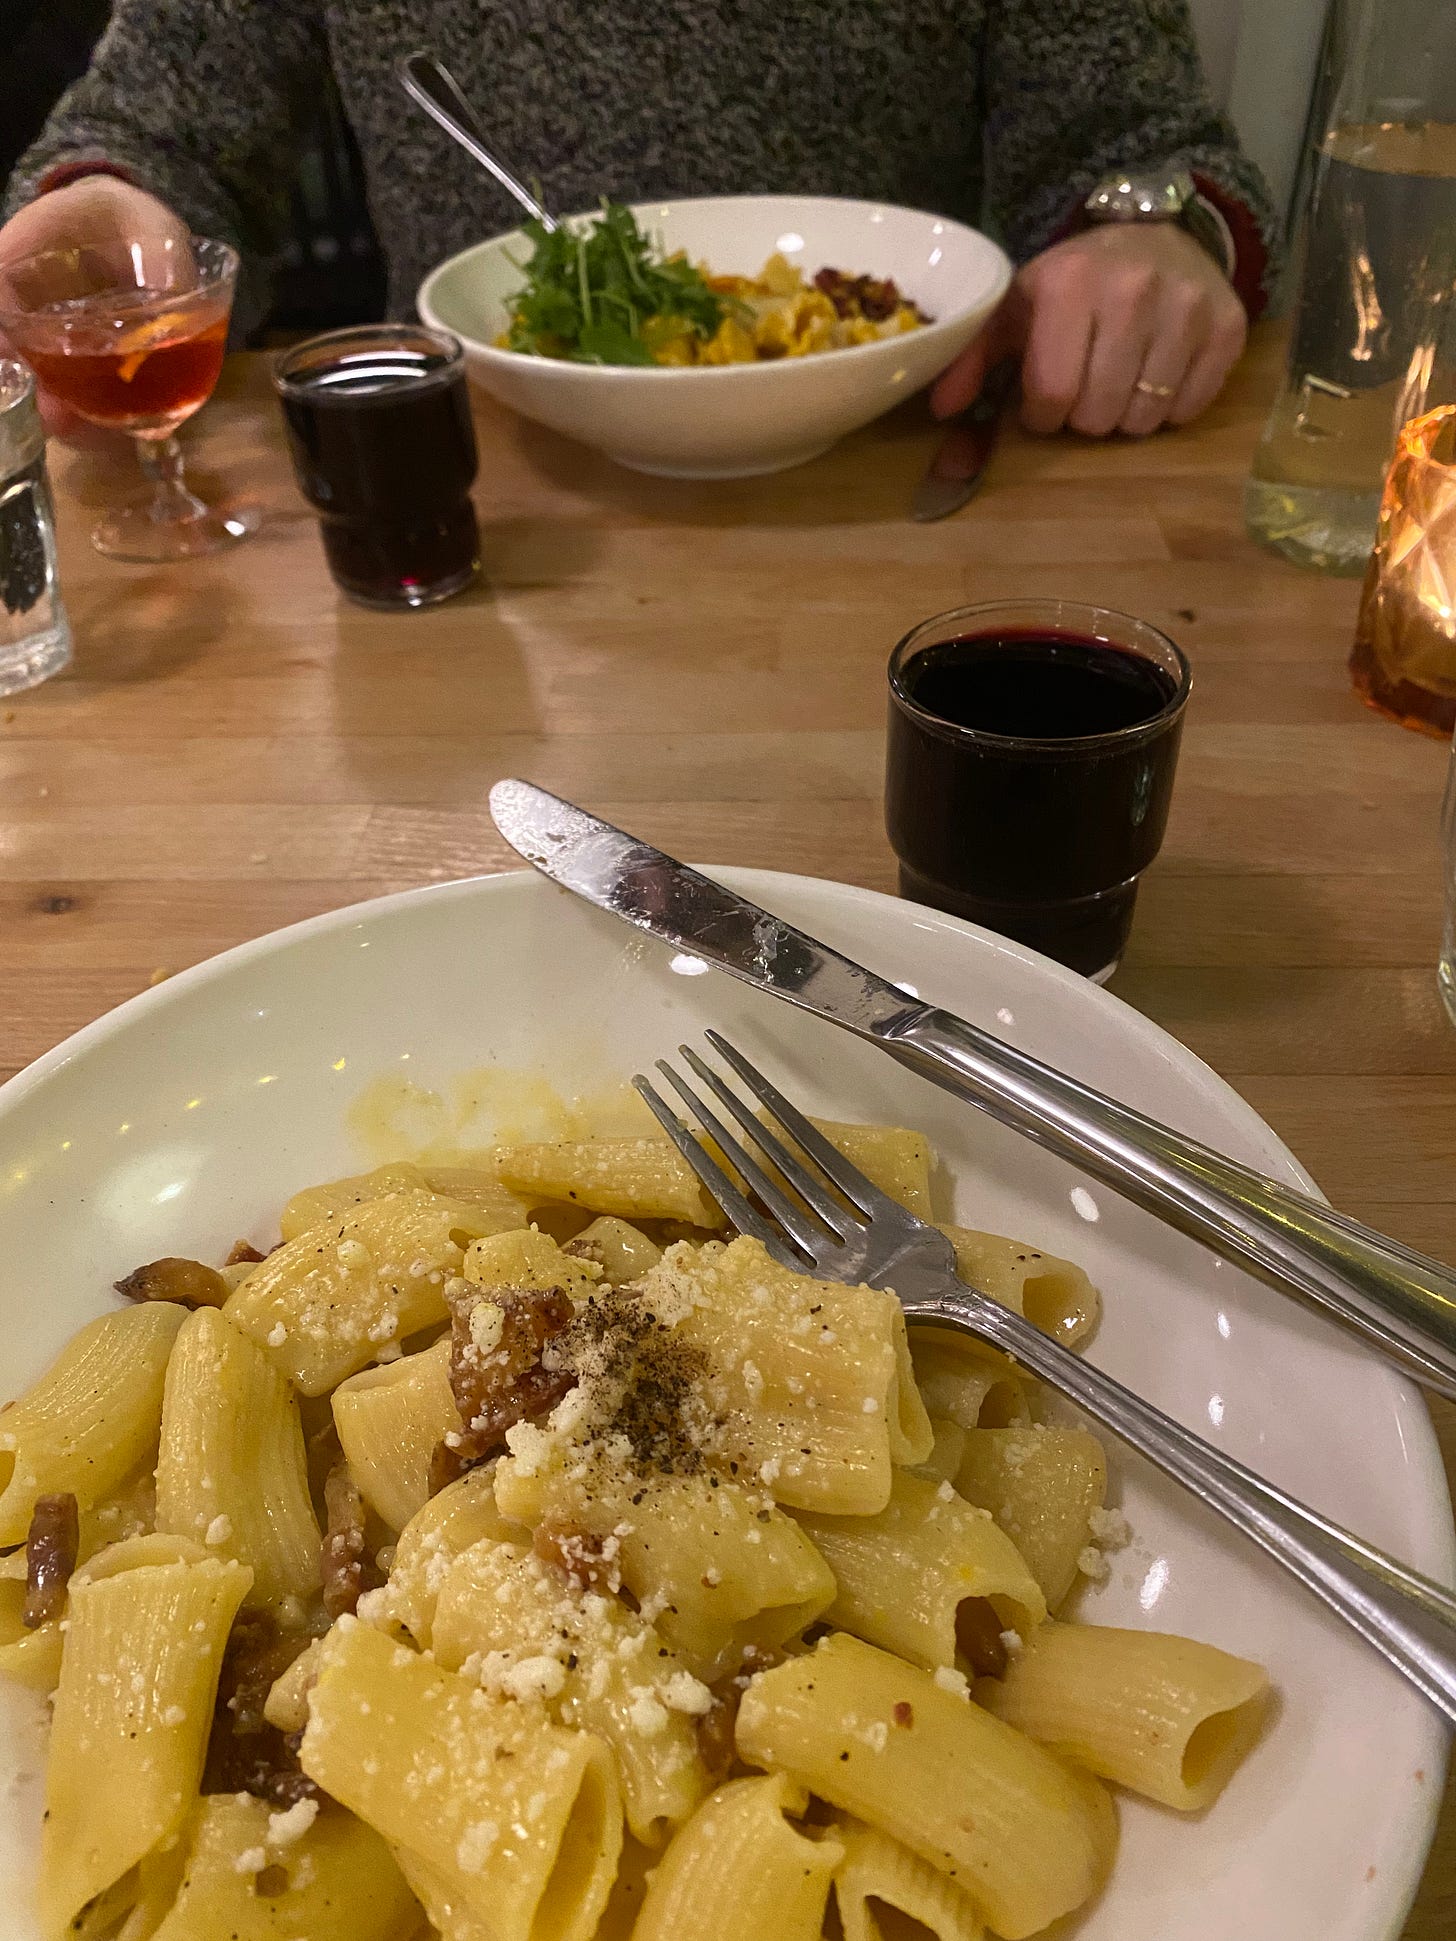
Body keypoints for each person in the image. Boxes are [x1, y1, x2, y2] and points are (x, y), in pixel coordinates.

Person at [0, 0, 1277, 443]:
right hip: (463, 504)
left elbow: (1139, 147)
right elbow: (156, 131)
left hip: (907, 492)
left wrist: (1149, 228)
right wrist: (102, 208)